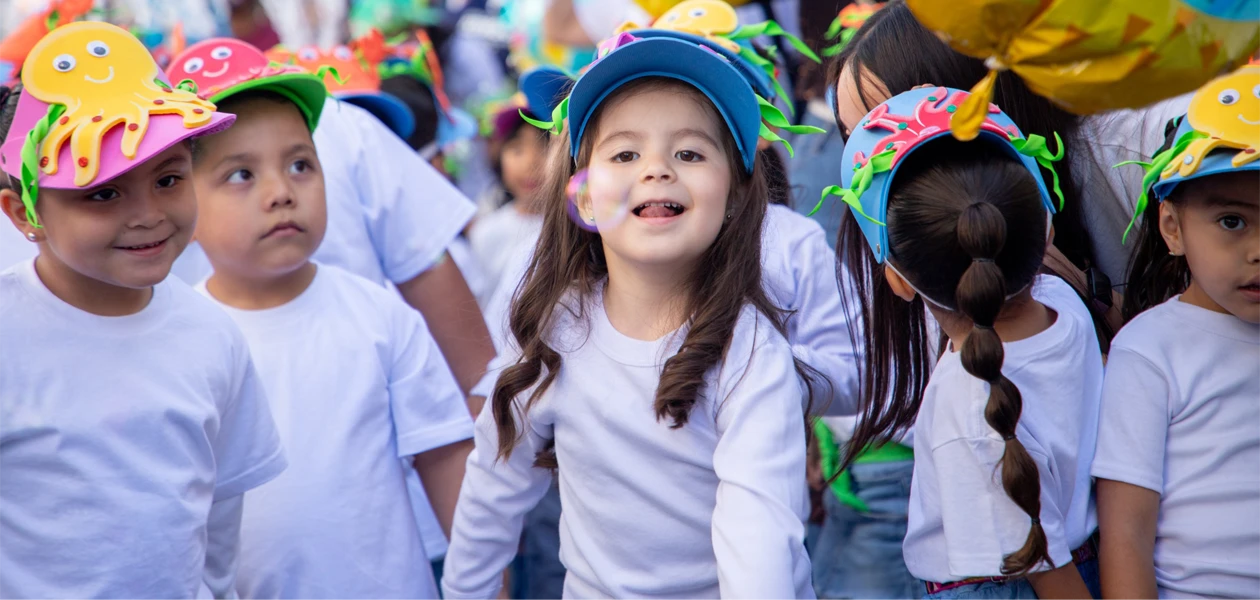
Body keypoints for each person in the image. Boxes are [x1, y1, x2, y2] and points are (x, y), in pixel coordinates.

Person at [441, 30, 817, 599]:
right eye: (625, 153)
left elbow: (759, 535)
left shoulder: (752, 352)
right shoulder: (556, 329)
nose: (657, 169)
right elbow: (493, 485)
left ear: (736, 195)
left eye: (689, 152)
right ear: (585, 196)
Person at [171, 39, 477, 599]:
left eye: (300, 164)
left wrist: (485, 585)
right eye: (241, 174)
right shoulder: (178, 341)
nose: (281, 193)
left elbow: (446, 454)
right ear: (179, 205)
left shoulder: (379, 316)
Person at [0, 22, 286, 597]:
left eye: (169, 178)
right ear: (24, 212)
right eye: (103, 192)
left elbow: (220, 518)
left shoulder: (211, 333)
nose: (148, 214)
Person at [825, 87, 1103, 599]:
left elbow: (1042, 567)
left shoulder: (968, 400)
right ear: (1045, 229)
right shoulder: (1066, 304)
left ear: (898, 281)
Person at [827, 0, 1191, 344]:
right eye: (851, 137)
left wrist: (1090, 298)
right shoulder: (921, 252)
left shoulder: (1148, 149)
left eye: (883, 134)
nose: (865, 168)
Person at [1093, 70, 1260, 599]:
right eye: (1232, 221)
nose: (1258, 250)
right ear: (1172, 226)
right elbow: (1126, 531)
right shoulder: (1149, 351)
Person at [468, 95, 547, 307]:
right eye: (517, 150)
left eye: (544, 147)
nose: (531, 163)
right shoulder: (485, 233)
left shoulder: (573, 231)